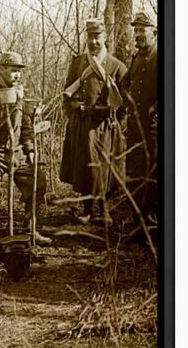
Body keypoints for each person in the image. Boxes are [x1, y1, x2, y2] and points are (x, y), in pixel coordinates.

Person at [0, 52, 51, 245]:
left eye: (19, 72)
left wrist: (29, 148)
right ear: (1, 69)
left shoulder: (18, 92)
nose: (17, 76)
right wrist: (12, 101)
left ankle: (31, 229)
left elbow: (25, 125)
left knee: (37, 180)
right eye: (13, 71)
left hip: (15, 151)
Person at [60, 19, 128, 222]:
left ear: (105, 37)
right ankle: (87, 209)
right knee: (84, 167)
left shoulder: (117, 66)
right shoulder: (79, 63)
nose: (94, 41)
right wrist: (75, 109)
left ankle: (104, 210)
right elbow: (67, 94)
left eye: (97, 37)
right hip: (82, 124)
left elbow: (124, 102)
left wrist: (116, 122)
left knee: (103, 168)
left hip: (105, 125)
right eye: (90, 36)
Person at [123, 12, 158, 225]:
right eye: (135, 30)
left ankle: (152, 225)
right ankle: (137, 222)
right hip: (135, 125)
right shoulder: (135, 58)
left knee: (152, 172)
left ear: (154, 32)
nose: (138, 34)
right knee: (134, 170)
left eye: (142, 30)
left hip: (154, 127)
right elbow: (126, 82)